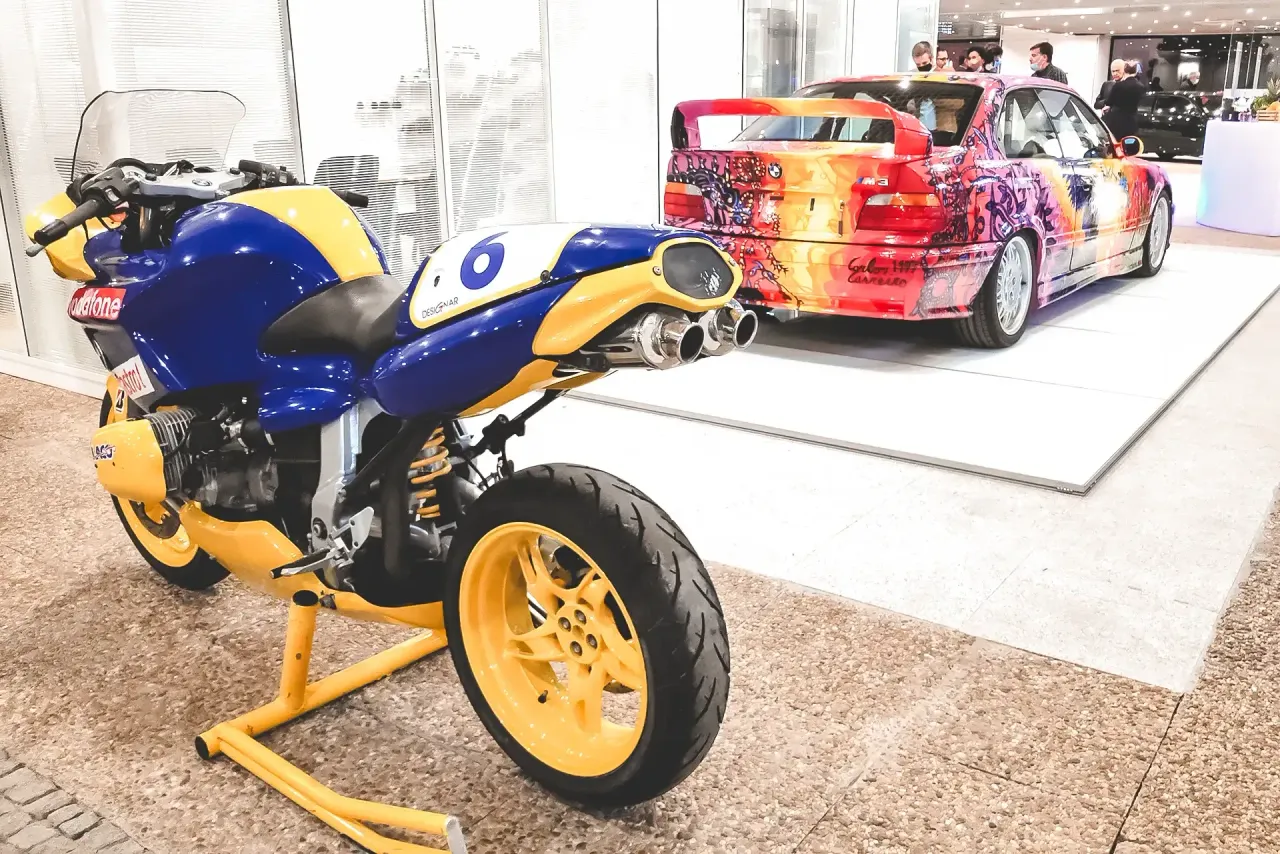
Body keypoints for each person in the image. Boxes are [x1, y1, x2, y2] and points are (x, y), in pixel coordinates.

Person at [1103, 61, 1145, 139]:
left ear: (1124, 71)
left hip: (1116, 121)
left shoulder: (1119, 86)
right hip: (1132, 121)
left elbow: (1109, 102)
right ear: (1136, 72)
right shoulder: (1141, 87)